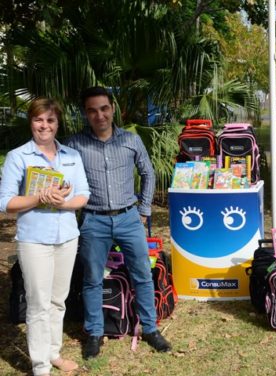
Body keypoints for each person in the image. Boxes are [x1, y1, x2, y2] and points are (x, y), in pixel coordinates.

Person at [65, 86, 171, 359]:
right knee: (91, 280)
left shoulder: (131, 140)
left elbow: (148, 172)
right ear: (86, 114)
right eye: (92, 110)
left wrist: (144, 211)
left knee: (142, 276)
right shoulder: (75, 145)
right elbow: (63, 177)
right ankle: (94, 333)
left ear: (113, 109)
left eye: (103, 108)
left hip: (128, 218)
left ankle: (150, 328)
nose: (99, 115)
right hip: (93, 220)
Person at [0, 98, 90, 376]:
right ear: (31, 122)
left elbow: (83, 195)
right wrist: (39, 197)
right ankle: (40, 366)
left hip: (66, 237)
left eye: (50, 120)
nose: (44, 125)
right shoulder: (19, 157)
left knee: (57, 301)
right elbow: (5, 202)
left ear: (57, 123)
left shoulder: (72, 156)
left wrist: (59, 202)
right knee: (38, 304)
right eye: (39, 120)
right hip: (34, 240)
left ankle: (53, 353)